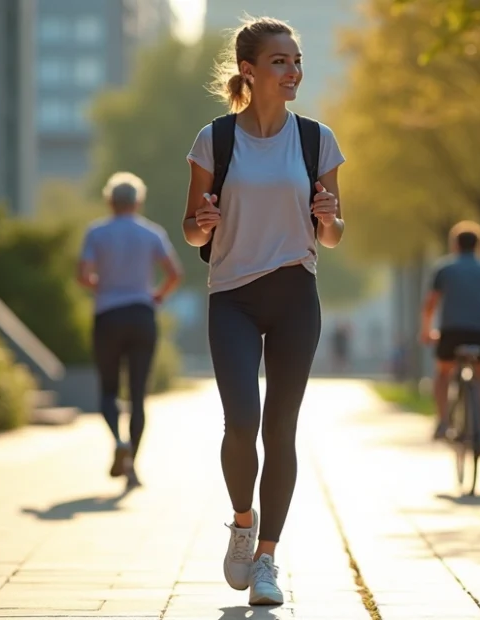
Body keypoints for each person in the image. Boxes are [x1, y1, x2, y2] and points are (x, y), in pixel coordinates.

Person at [181, 16, 345, 606]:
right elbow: (191, 230)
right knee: (241, 422)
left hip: (296, 295)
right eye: (280, 61)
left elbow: (333, 235)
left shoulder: (317, 140)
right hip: (233, 297)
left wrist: (328, 217)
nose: (293, 71)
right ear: (249, 71)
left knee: (281, 429)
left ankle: (268, 560)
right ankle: (242, 522)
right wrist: (201, 224)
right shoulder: (215, 139)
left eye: (296, 61)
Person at [77, 172, 182, 489]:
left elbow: (83, 275)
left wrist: (101, 285)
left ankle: (118, 440)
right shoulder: (152, 233)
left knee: (109, 390)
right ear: (138, 202)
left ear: (110, 201)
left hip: (108, 315)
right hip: (141, 314)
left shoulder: (96, 232)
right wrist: (157, 295)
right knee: (138, 395)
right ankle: (132, 465)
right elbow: (174, 273)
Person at [420, 221, 480, 455]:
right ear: (479, 245)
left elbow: (430, 304)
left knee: (443, 373)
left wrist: (427, 331)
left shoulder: (444, 269)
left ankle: (442, 422)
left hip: (452, 332)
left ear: (455, 244)